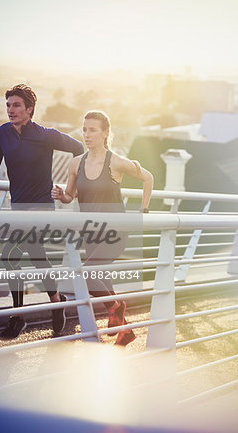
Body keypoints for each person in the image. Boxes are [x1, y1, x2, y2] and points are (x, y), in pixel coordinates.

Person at [0, 84, 84, 339]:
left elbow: (79, 149)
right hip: (18, 206)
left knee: (9, 256)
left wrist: (70, 184)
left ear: (29, 109)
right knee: (37, 256)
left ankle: (17, 318)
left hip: (41, 207)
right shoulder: (1, 134)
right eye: (8, 105)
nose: (10, 110)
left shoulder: (45, 135)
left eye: (16, 105)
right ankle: (56, 300)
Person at [51, 110, 153, 346]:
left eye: (92, 130)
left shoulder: (115, 161)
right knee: (101, 279)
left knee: (88, 273)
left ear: (105, 133)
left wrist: (143, 210)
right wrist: (61, 195)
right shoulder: (76, 163)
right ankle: (125, 331)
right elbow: (71, 195)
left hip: (115, 232)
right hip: (91, 233)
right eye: (84, 129)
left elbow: (148, 178)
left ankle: (117, 306)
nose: (86, 134)